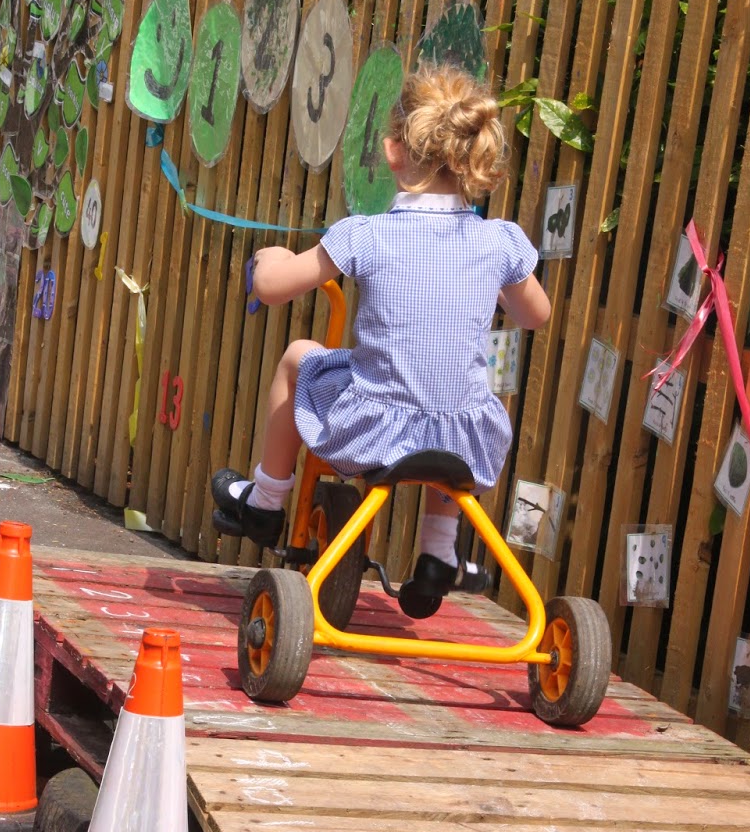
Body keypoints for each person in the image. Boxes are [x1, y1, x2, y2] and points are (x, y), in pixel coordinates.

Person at [211, 63, 551, 600]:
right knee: (465, 390)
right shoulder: (501, 242)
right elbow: (536, 315)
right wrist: (499, 285)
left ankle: (265, 501)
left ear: (394, 150)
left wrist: (265, 259)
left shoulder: (365, 236)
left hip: (374, 432)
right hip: (464, 446)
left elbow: (276, 286)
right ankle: (440, 551)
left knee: (301, 355)